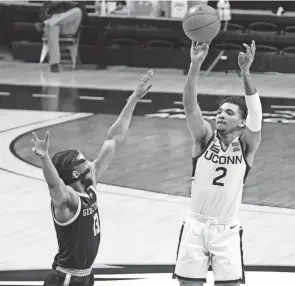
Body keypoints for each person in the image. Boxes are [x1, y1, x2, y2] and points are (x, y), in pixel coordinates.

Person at [31, 70, 153, 286]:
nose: (89, 161)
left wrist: (133, 99)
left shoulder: (90, 182)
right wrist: (45, 159)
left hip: (86, 276)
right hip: (65, 278)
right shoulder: (67, 200)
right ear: (75, 173)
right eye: (83, 160)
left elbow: (113, 139)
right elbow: (54, 185)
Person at [173, 40, 262, 286]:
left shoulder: (246, 146)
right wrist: (194, 65)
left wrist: (245, 74)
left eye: (229, 113)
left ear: (242, 123)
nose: (221, 115)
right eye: (220, 111)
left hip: (226, 229)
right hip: (195, 225)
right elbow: (190, 107)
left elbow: (256, 115)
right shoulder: (204, 138)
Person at [35, 1, 88, 72]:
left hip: (69, 27)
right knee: (52, 27)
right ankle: (54, 64)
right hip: (54, 25)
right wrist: (55, 6)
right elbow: (42, 15)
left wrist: (70, 4)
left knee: (78, 11)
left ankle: (45, 23)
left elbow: (84, 15)